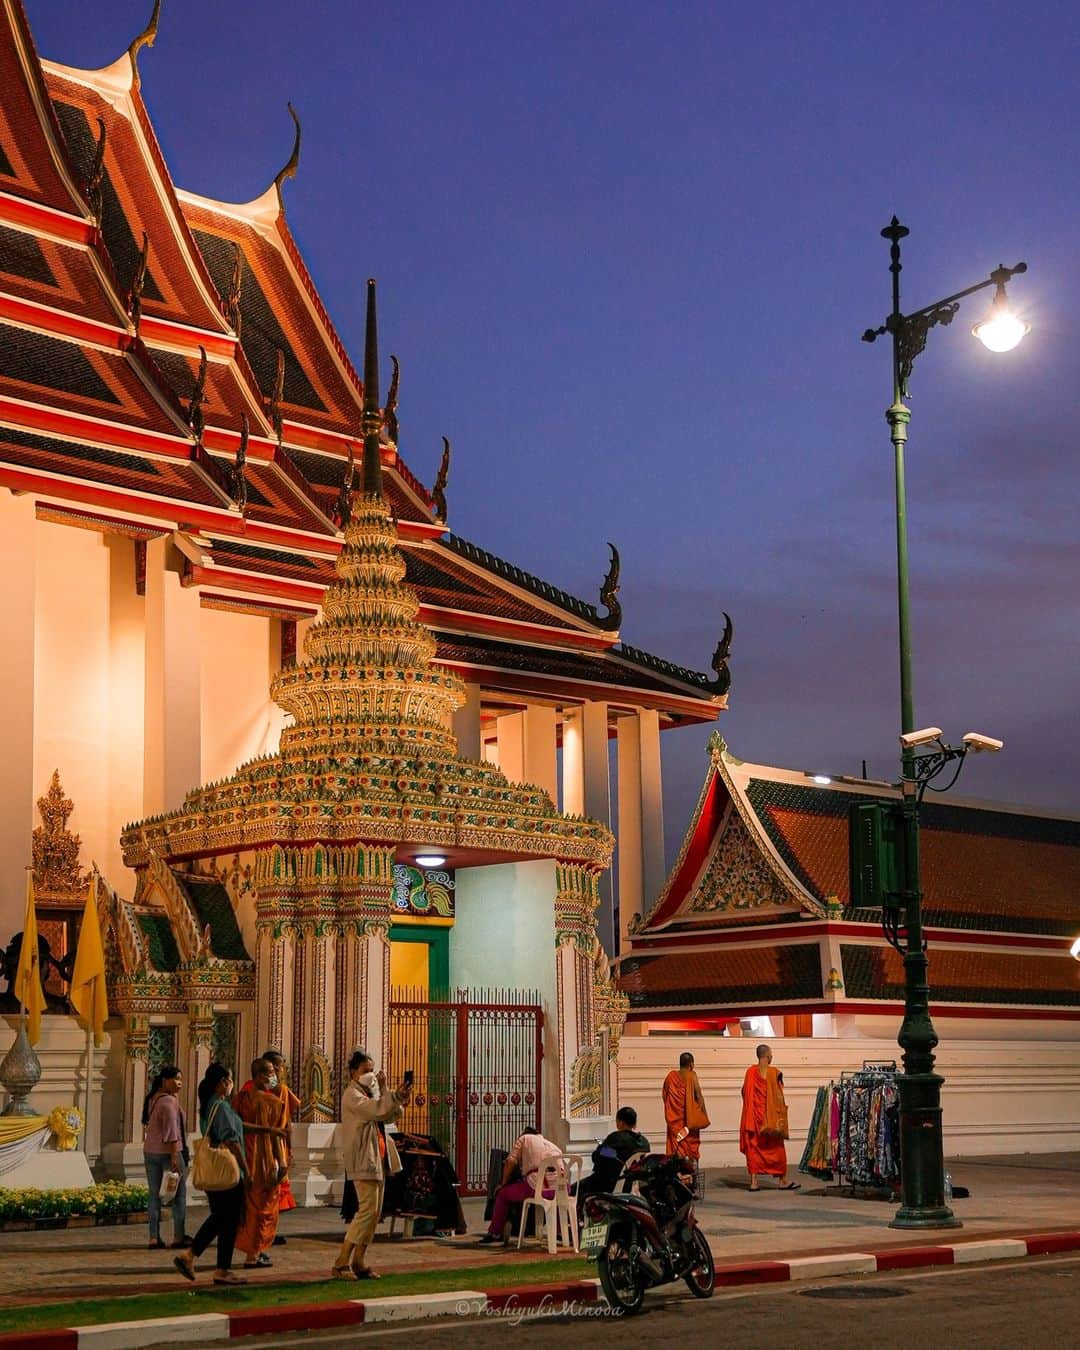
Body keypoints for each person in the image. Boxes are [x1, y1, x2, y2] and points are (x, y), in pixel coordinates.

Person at [332, 1048, 411, 1280]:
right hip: (363, 1158)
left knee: (374, 1213)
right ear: (352, 1072)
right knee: (366, 1211)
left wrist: (396, 1094)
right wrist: (389, 1094)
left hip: (378, 1157)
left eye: (372, 1071)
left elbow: (391, 1114)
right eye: (365, 1071)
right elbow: (378, 1110)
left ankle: (359, 1261)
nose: (370, 1075)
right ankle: (340, 1262)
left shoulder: (370, 1094)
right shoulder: (353, 1096)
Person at [174, 1064, 249, 1286]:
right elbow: (232, 1141)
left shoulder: (208, 1107)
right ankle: (220, 1268)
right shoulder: (222, 1107)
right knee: (228, 1219)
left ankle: (191, 1256)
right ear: (221, 1083)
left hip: (213, 1170)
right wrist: (246, 1168)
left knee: (220, 1217)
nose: (231, 1084)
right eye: (229, 1080)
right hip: (226, 1169)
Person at [233, 1057, 289, 1268]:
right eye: (268, 1072)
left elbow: (238, 1126)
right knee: (262, 1208)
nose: (272, 1075)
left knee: (251, 1208)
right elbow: (278, 1134)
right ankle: (253, 1254)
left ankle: (254, 1251)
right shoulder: (269, 1102)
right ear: (257, 1076)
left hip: (246, 1157)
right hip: (263, 1159)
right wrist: (282, 1161)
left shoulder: (242, 1098)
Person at [479, 1126, 563, 1246]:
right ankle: (561, 1232)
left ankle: (495, 1232)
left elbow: (510, 1161)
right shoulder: (552, 1145)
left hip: (538, 1186)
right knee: (559, 1201)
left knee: (502, 1194)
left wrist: (503, 1183)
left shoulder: (524, 1139)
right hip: (561, 1189)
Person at [142, 1064, 190, 1250]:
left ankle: (153, 1236)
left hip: (150, 1151)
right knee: (178, 1195)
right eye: (175, 1079)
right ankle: (178, 1236)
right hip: (169, 1152)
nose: (179, 1083)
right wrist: (174, 1157)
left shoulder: (153, 1099)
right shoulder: (169, 1102)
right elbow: (171, 1132)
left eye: (180, 1079)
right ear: (165, 1081)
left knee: (154, 1194)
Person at [740, 1043, 799, 1191]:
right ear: (767, 1056)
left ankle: (754, 1183)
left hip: (754, 1119)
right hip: (771, 1119)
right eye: (771, 1055)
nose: (772, 1057)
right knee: (777, 1148)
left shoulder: (750, 1072)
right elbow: (779, 1096)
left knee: (754, 1148)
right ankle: (782, 1181)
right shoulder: (774, 1072)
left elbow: (744, 1092)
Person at [575, 1106, 650, 1219]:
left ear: (620, 1122)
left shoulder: (617, 1138)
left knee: (575, 1189)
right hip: (632, 1184)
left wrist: (604, 1145)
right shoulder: (644, 1141)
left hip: (609, 1183)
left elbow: (598, 1156)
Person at [262, 1049, 300, 1240]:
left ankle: (271, 1229)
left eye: (280, 1068)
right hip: (265, 1143)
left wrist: (290, 1147)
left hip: (280, 1143)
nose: (278, 1072)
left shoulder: (282, 1090)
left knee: (276, 1191)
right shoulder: (261, 1090)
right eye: (275, 1068)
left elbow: (288, 1120)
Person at [662, 1051, 710, 1159]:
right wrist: (703, 1114)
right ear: (691, 1064)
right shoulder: (692, 1075)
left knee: (676, 1147)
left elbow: (665, 1096)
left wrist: (672, 1109)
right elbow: (699, 1096)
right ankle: (691, 1171)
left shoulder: (670, 1076)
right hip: (689, 1120)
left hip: (674, 1120)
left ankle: (677, 1173)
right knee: (690, 1147)